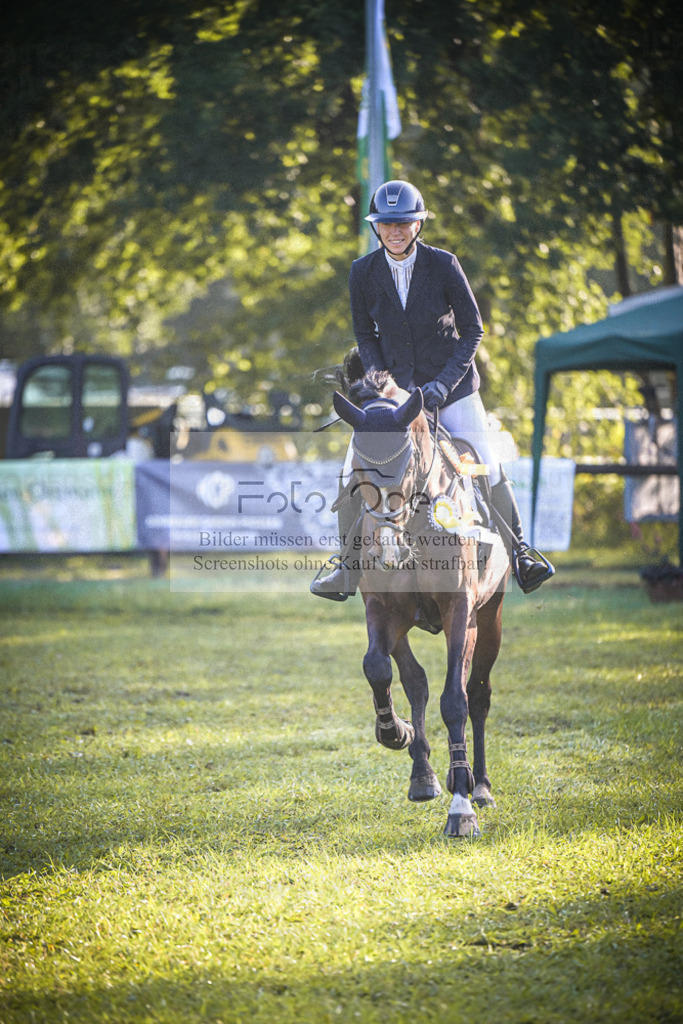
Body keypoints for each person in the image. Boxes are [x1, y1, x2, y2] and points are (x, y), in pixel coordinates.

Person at [311, 179, 555, 600]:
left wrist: (444, 382)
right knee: (353, 463)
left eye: (403, 223)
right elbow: (364, 336)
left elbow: (473, 330)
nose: (395, 231)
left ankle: (521, 554)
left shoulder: (444, 264)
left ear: (418, 224)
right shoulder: (362, 272)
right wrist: (381, 384)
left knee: (487, 463)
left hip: (454, 389)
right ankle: (346, 566)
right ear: (377, 228)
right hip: (396, 396)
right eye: (386, 224)